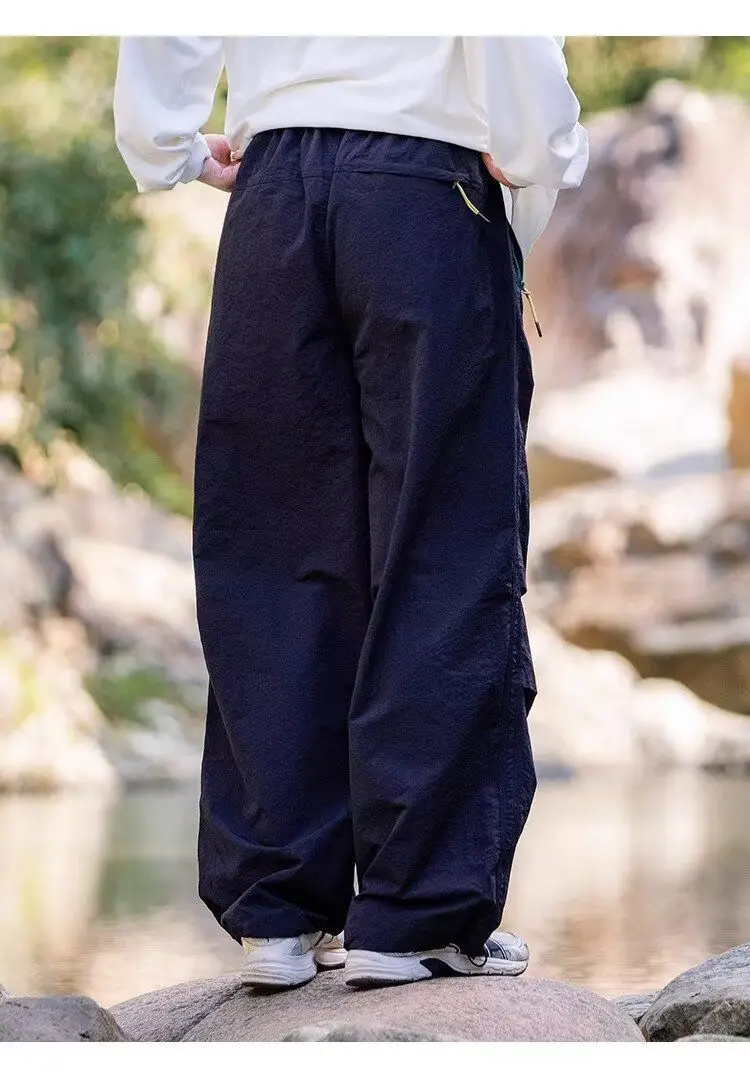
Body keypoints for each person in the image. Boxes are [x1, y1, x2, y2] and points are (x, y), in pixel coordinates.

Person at [114, 36, 588, 991]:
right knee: (444, 547)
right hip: (425, 188)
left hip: (273, 197)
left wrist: (166, 141)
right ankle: (418, 915)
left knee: (272, 550)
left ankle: (280, 915)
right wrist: (538, 145)